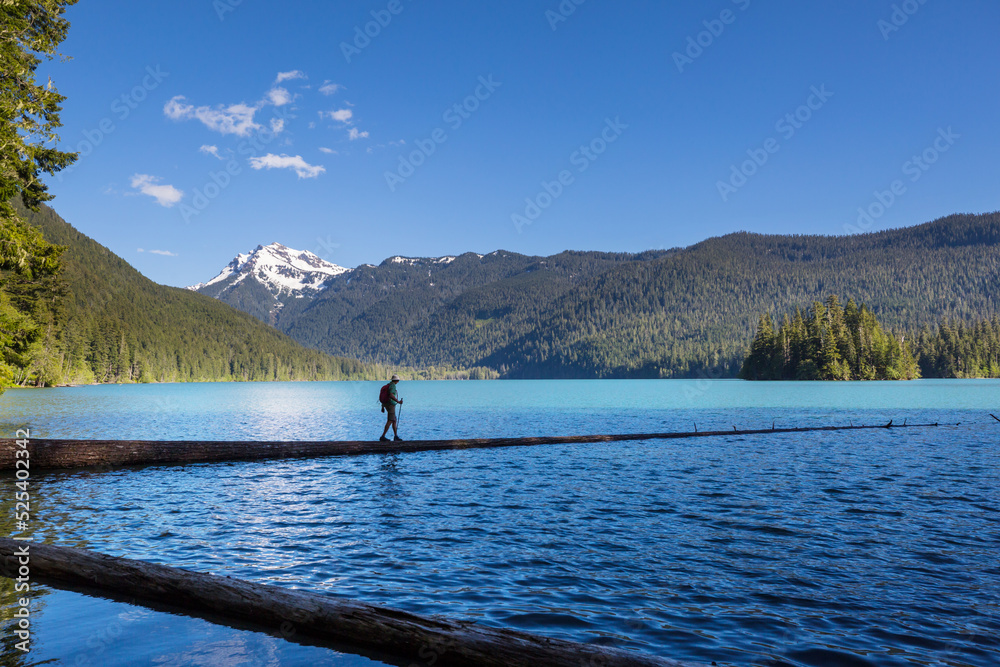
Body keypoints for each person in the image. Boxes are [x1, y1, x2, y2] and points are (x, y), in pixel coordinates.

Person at [380, 374, 404, 442]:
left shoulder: (389, 385)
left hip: (387, 404)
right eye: (398, 380)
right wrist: (398, 401)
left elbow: (386, 395)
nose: (398, 381)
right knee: (390, 420)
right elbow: (391, 395)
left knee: (394, 420)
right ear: (396, 380)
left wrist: (382, 406)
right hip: (391, 405)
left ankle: (395, 436)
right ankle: (383, 436)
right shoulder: (393, 386)